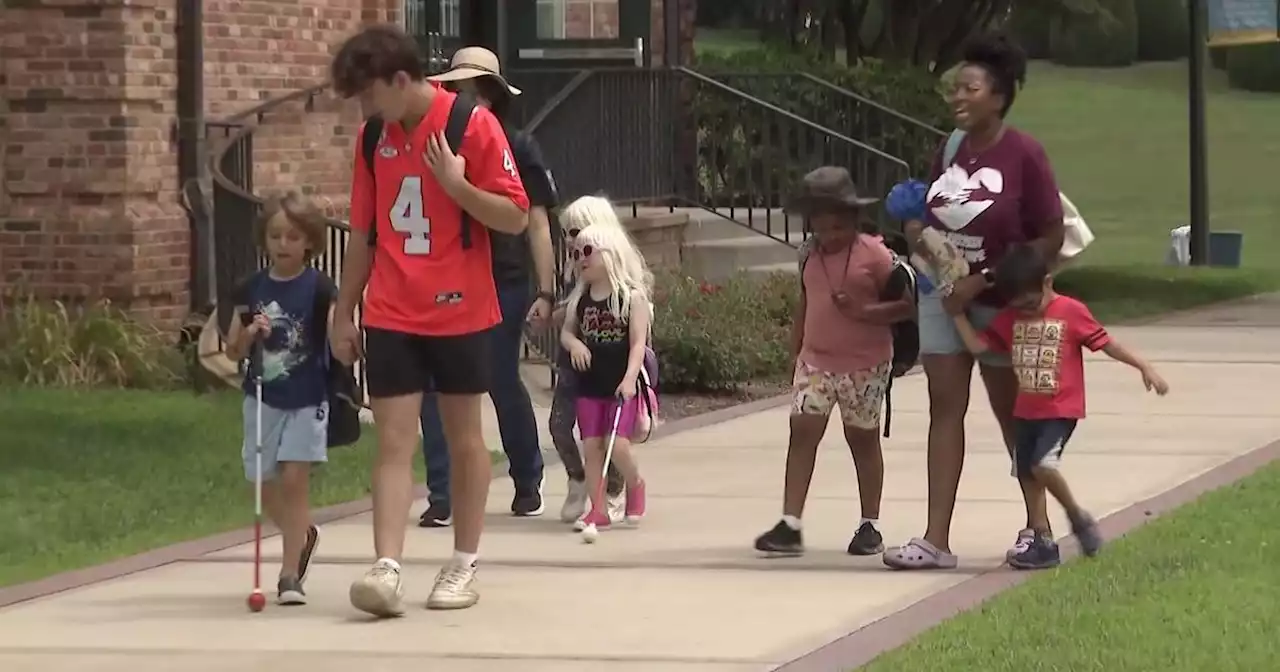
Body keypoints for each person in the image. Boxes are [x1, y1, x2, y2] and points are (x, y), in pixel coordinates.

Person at [328, 25, 530, 616]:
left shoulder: (473, 125)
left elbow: (515, 217)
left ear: (399, 79)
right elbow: (363, 235)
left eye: (369, 95)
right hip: (392, 308)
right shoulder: (373, 139)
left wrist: (458, 185)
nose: (366, 110)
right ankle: (386, 567)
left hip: (461, 308)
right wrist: (345, 311)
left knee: (466, 437)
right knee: (392, 439)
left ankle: (462, 564)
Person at [882, 32, 1067, 571]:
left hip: (1002, 300)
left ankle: (1040, 531)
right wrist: (919, 233)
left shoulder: (1024, 154)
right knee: (945, 410)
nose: (956, 96)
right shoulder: (949, 149)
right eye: (954, 87)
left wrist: (983, 278)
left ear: (999, 96)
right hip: (944, 297)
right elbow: (928, 211)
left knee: (1014, 414)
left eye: (970, 87)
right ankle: (934, 539)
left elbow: (1049, 237)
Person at [951, 244, 1169, 569]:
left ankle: (1077, 517)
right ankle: (1042, 542)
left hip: (1060, 409)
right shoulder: (1009, 318)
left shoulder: (1070, 311)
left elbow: (1107, 343)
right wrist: (956, 314)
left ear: (1048, 283)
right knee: (1026, 472)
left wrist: (1144, 366)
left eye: (1031, 303)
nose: (1026, 311)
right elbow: (981, 348)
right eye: (1018, 306)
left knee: (1043, 465)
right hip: (1025, 410)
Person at [413, 47, 554, 527]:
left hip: (504, 279)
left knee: (497, 377)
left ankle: (527, 479)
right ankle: (442, 493)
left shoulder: (519, 145)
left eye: (475, 88)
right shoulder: (432, 143)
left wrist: (547, 289)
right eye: (456, 88)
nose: (465, 96)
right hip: (445, 278)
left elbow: (535, 222)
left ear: (494, 94)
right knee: (434, 386)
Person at [753, 167, 915, 557]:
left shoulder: (875, 255)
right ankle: (790, 524)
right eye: (822, 226)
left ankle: (869, 524)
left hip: (866, 363)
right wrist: (796, 352)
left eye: (838, 227)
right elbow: (805, 303)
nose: (830, 235)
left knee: (862, 439)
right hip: (816, 361)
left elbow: (906, 307)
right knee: (802, 431)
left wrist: (862, 310)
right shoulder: (808, 253)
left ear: (852, 218)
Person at [224, 192, 330, 606]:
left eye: (292, 236)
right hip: (262, 396)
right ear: (264, 240)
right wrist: (249, 335)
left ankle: (290, 575)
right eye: (275, 236)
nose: (283, 244)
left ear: (309, 242)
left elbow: (338, 331)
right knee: (261, 482)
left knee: (293, 480)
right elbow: (232, 349)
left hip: (307, 396)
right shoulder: (251, 289)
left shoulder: (319, 287)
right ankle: (302, 534)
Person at [559, 220, 654, 533]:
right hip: (589, 384)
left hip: (620, 384)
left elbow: (638, 343)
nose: (581, 259)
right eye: (576, 253)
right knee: (592, 448)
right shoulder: (580, 299)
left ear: (610, 254)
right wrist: (574, 345)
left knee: (619, 445)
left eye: (588, 251)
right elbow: (566, 333)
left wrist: (630, 379)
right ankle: (597, 510)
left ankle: (635, 484)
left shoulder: (631, 297)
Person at [547, 196, 627, 524]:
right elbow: (568, 315)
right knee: (560, 425)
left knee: (607, 434)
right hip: (572, 364)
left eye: (576, 231)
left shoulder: (613, 273)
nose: (569, 240)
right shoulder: (571, 267)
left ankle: (613, 490)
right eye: (566, 232)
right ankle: (578, 480)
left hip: (608, 369)